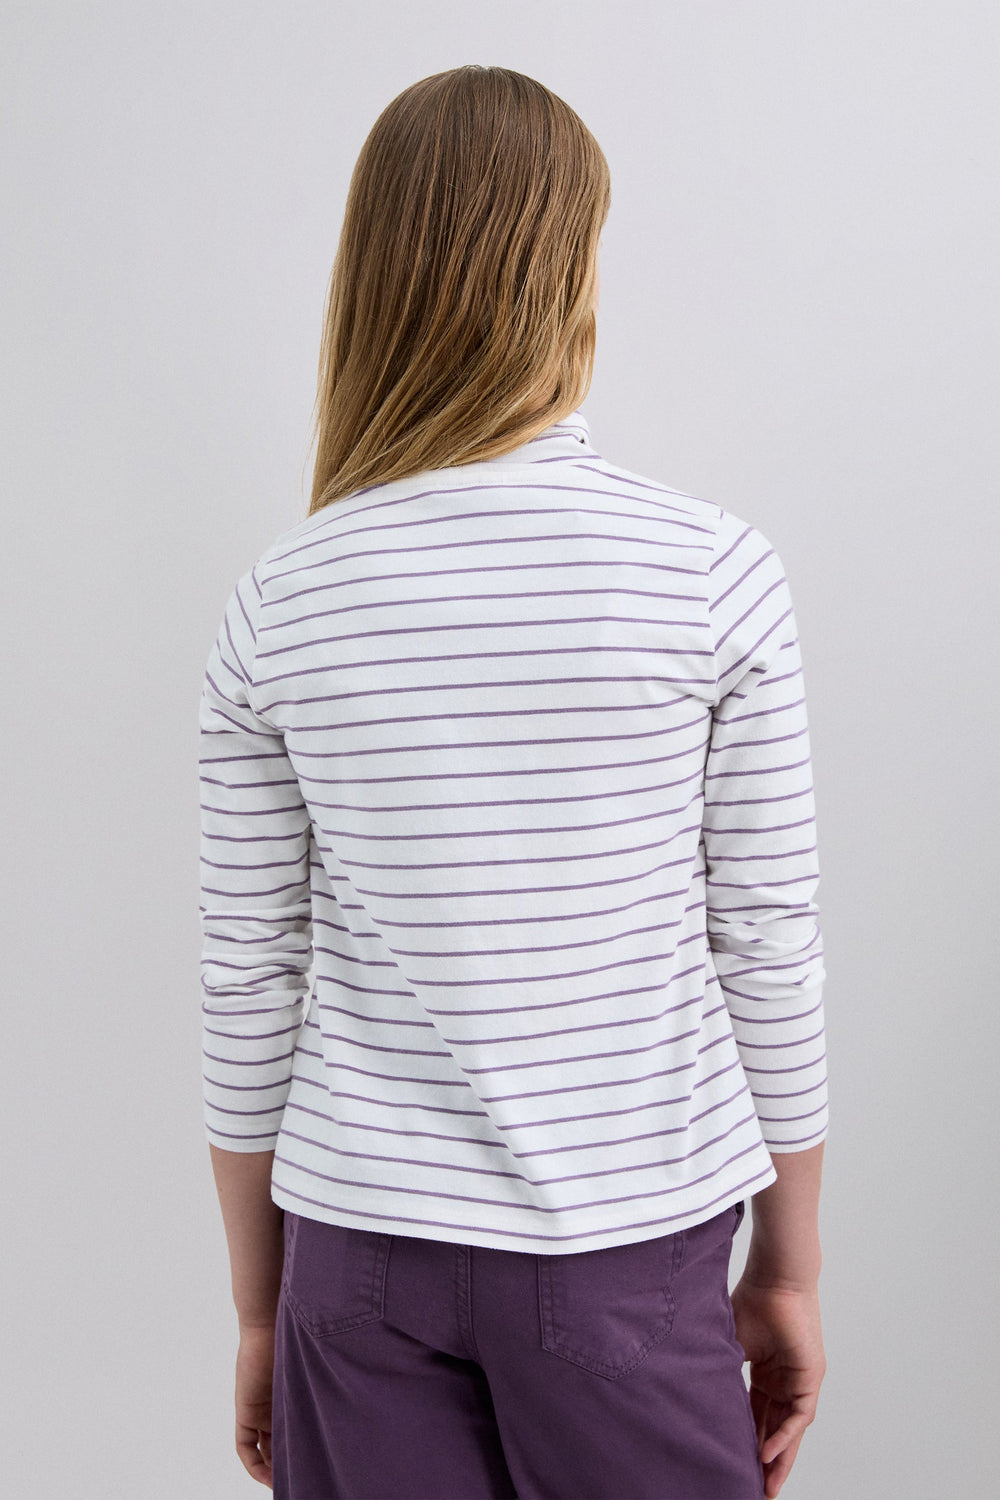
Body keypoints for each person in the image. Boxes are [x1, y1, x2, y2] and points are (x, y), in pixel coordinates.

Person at [199, 64, 828, 1500]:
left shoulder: (279, 602)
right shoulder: (712, 575)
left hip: (354, 1261)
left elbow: (247, 977)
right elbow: (765, 942)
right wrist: (789, 1271)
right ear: (569, 275)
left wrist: (259, 1306)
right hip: (625, 1247)